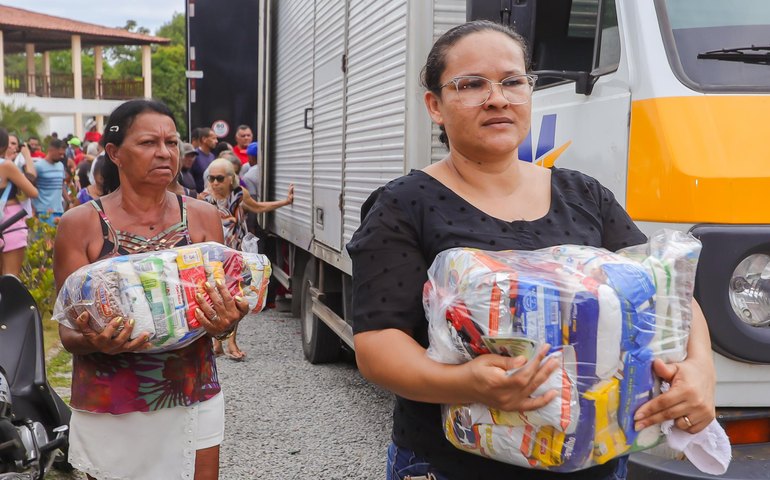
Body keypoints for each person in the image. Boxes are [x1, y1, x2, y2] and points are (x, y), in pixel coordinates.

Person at [347, 20, 716, 480]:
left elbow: (665, 291)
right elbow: (377, 344)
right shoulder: (405, 204)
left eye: (512, 82)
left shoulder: (583, 194)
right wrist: (463, 383)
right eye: (471, 85)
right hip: (453, 465)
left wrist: (700, 369)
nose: (497, 98)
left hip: (594, 460)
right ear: (435, 106)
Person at [53, 100, 250, 480]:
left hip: (192, 392)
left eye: (171, 142)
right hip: (110, 402)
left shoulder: (203, 217)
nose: (164, 152)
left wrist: (226, 323)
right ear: (115, 153)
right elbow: (67, 332)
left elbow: (221, 312)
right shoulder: (80, 225)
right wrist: (97, 341)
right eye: (148, 143)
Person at [198, 158, 294, 360]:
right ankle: (216, 343)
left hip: (235, 253)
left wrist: (285, 202)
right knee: (213, 296)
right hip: (213, 255)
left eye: (219, 178)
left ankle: (231, 343)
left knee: (235, 297)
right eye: (211, 178)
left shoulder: (239, 194)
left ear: (230, 178)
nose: (214, 183)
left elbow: (257, 207)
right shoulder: (203, 198)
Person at [0, 128, 38, 276]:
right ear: (4, 146)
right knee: (10, 277)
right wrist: (27, 155)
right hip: (10, 223)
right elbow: (33, 191)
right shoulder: (6, 166)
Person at [32, 139, 66, 225]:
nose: (62, 156)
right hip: (43, 211)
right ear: (51, 150)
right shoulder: (38, 166)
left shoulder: (60, 165)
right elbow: (30, 187)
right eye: (60, 154)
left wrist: (69, 201)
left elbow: (61, 186)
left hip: (59, 210)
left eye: (63, 154)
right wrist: (32, 208)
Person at [191, 128, 217, 193]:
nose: (216, 141)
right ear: (204, 139)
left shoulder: (212, 156)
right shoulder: (195, 155)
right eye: (213, 138)